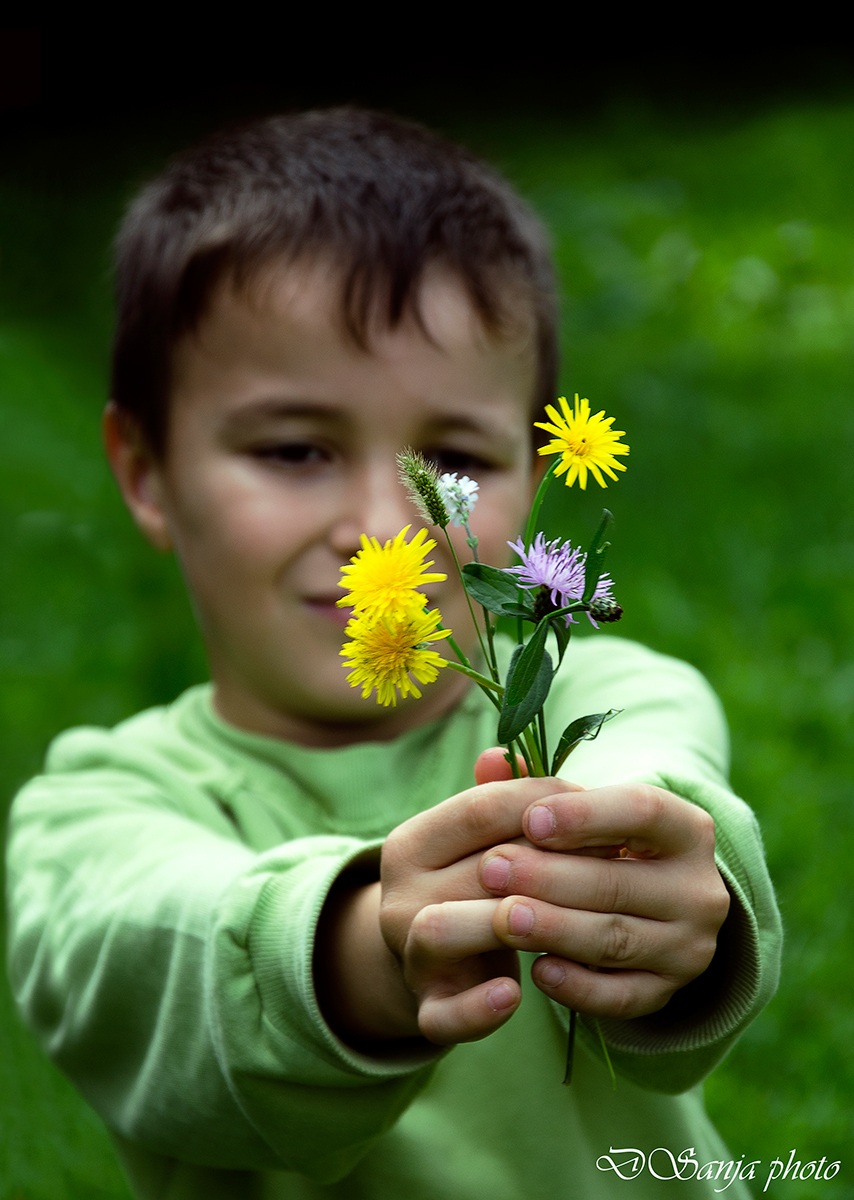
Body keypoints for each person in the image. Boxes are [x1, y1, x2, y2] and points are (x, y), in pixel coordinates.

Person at [5, 107, 781, 1199]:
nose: (384, 530)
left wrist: (645, 877)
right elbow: (161, 954)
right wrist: (364, 950)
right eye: (294, 450)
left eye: (453, 462)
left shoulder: (597, 692)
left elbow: (659, 773)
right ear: (145, 471)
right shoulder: (88, 818)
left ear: (534, 469)